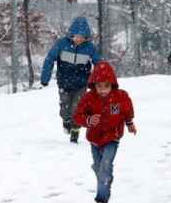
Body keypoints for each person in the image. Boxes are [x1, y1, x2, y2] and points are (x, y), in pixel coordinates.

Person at [74, 61, 137, 203]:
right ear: (93, 85)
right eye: (99, 86)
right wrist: (88, 120)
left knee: (105, 165)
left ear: (112, 84)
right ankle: (107, 178)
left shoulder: (120, 96)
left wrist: (129, 123)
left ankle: (101, 198)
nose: (102, 90)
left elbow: (127, 111)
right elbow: (77, 116)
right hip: (94, 139)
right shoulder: (88, 98)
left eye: (106, 86)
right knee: (98, 167)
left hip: (112, 137)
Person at [40, 17, 101, 143]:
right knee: (65, 108)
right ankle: (66, 121)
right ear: (71, 35)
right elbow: (50, 59)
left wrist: (100, 81)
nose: (79, 39)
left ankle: (75, 131)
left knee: (77, 108)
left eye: (82, 37)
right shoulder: (62, 44)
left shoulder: (89, 47)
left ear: (86, 37)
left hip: (81, 83)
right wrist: (45, 78)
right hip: (64, 82)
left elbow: (99, 64)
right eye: (76, 36)